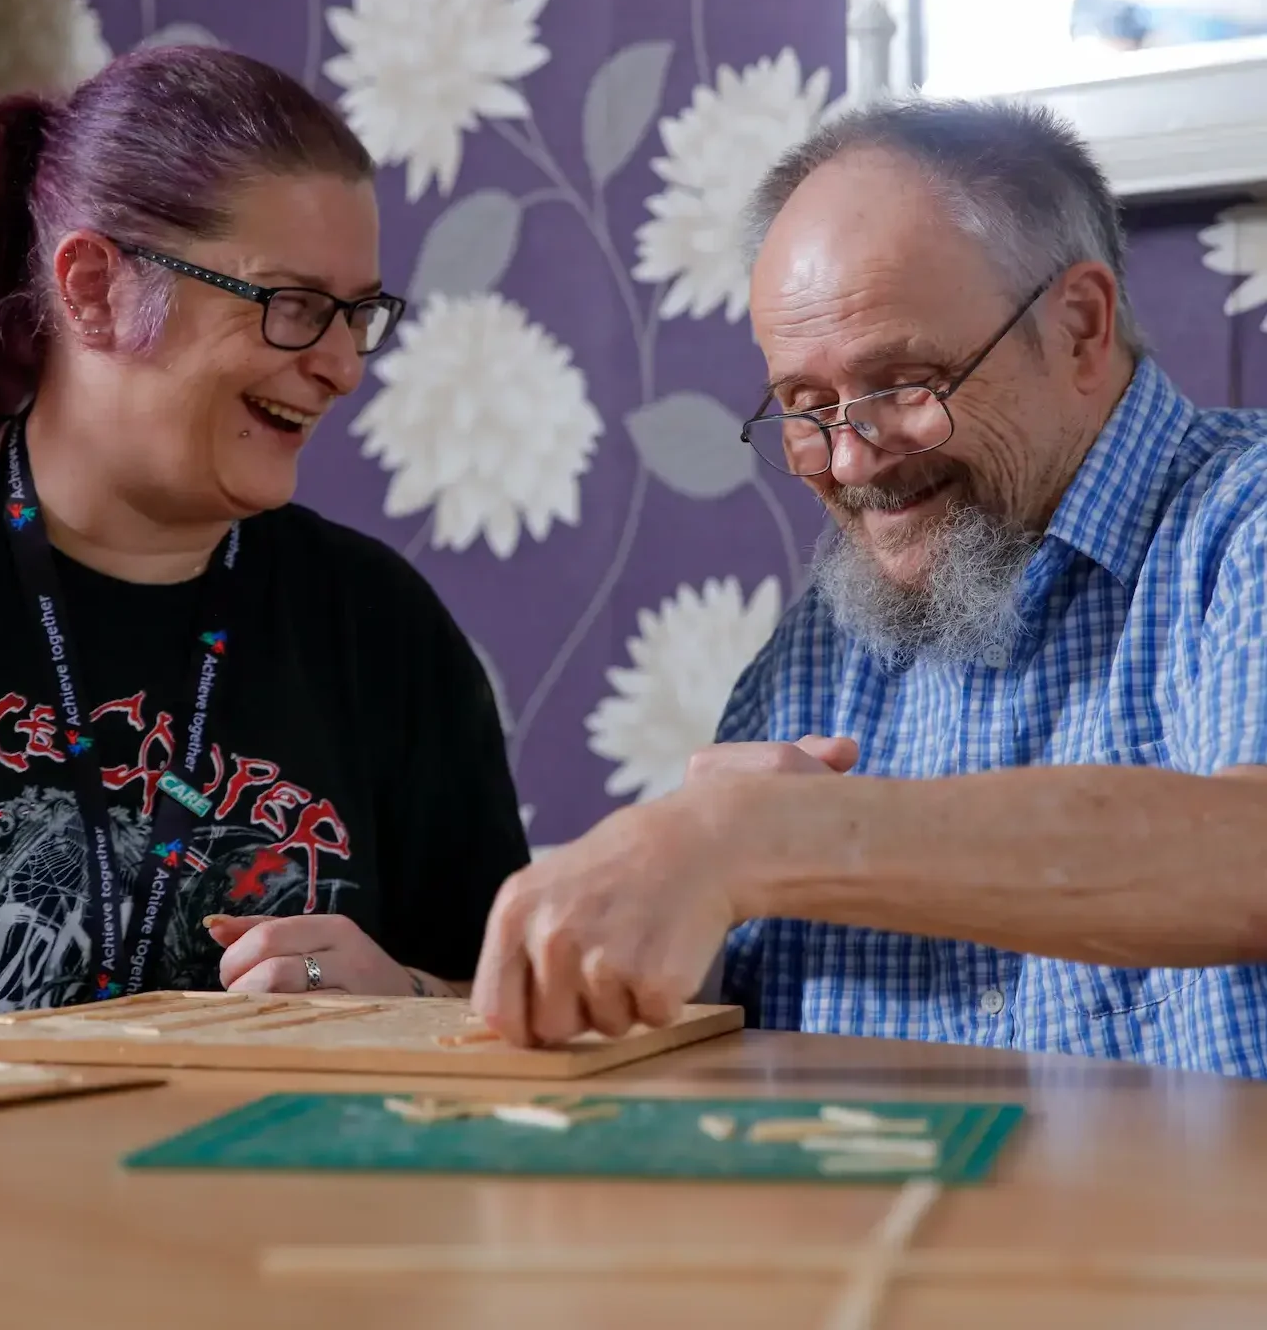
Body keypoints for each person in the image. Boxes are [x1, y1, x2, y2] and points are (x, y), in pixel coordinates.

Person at [471, 99, 1267, 1076]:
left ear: (1078, 328)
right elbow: (712, 1031)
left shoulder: (1241, 529)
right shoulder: (822, 644)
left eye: (903, 383)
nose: (849, 460)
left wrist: (764, 834)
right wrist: (429, 1005)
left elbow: (1247, 853)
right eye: (805, 408)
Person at [0, 45, 528, 1018]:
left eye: (356, 315)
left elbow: (496, 1003)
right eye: (290, 306)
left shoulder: (380, 625)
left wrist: (410, 993)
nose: (341, 368)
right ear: (95, 290)